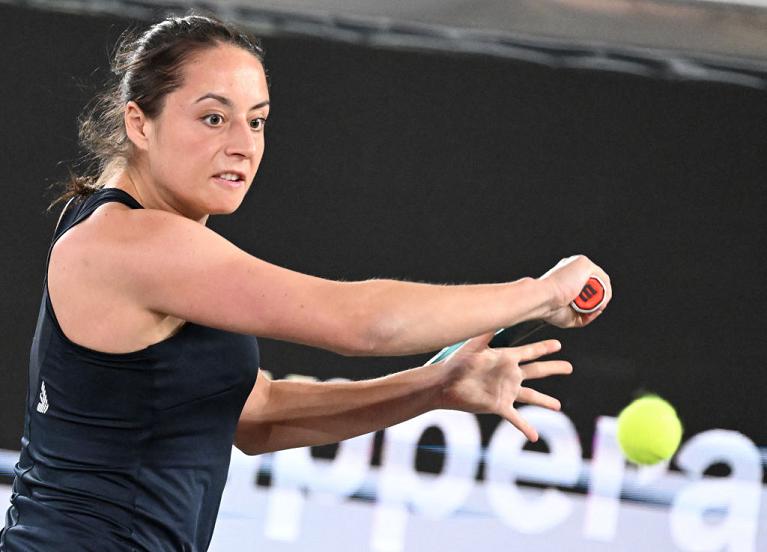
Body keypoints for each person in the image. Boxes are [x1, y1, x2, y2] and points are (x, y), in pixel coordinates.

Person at [0, 13, 612, 552]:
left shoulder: (153, 243)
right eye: (213, 118)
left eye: (257, 122)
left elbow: (258, 418)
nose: (242, 145)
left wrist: (434, 385)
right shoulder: (130, 243)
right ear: (139, 123)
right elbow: (360, 323)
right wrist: (544, 290)